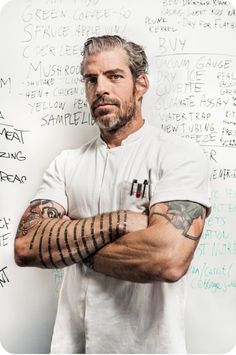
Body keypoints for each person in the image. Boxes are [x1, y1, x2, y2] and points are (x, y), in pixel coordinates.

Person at [14, 35, 211, 354]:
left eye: (114, 76)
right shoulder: (67, 163)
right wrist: (121, 222)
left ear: (141, 84)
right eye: (91, 79)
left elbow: (167, 259)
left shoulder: (177, 155)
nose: (100, 88)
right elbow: (26, 246)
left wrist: (70, 242)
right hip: (72, 346)